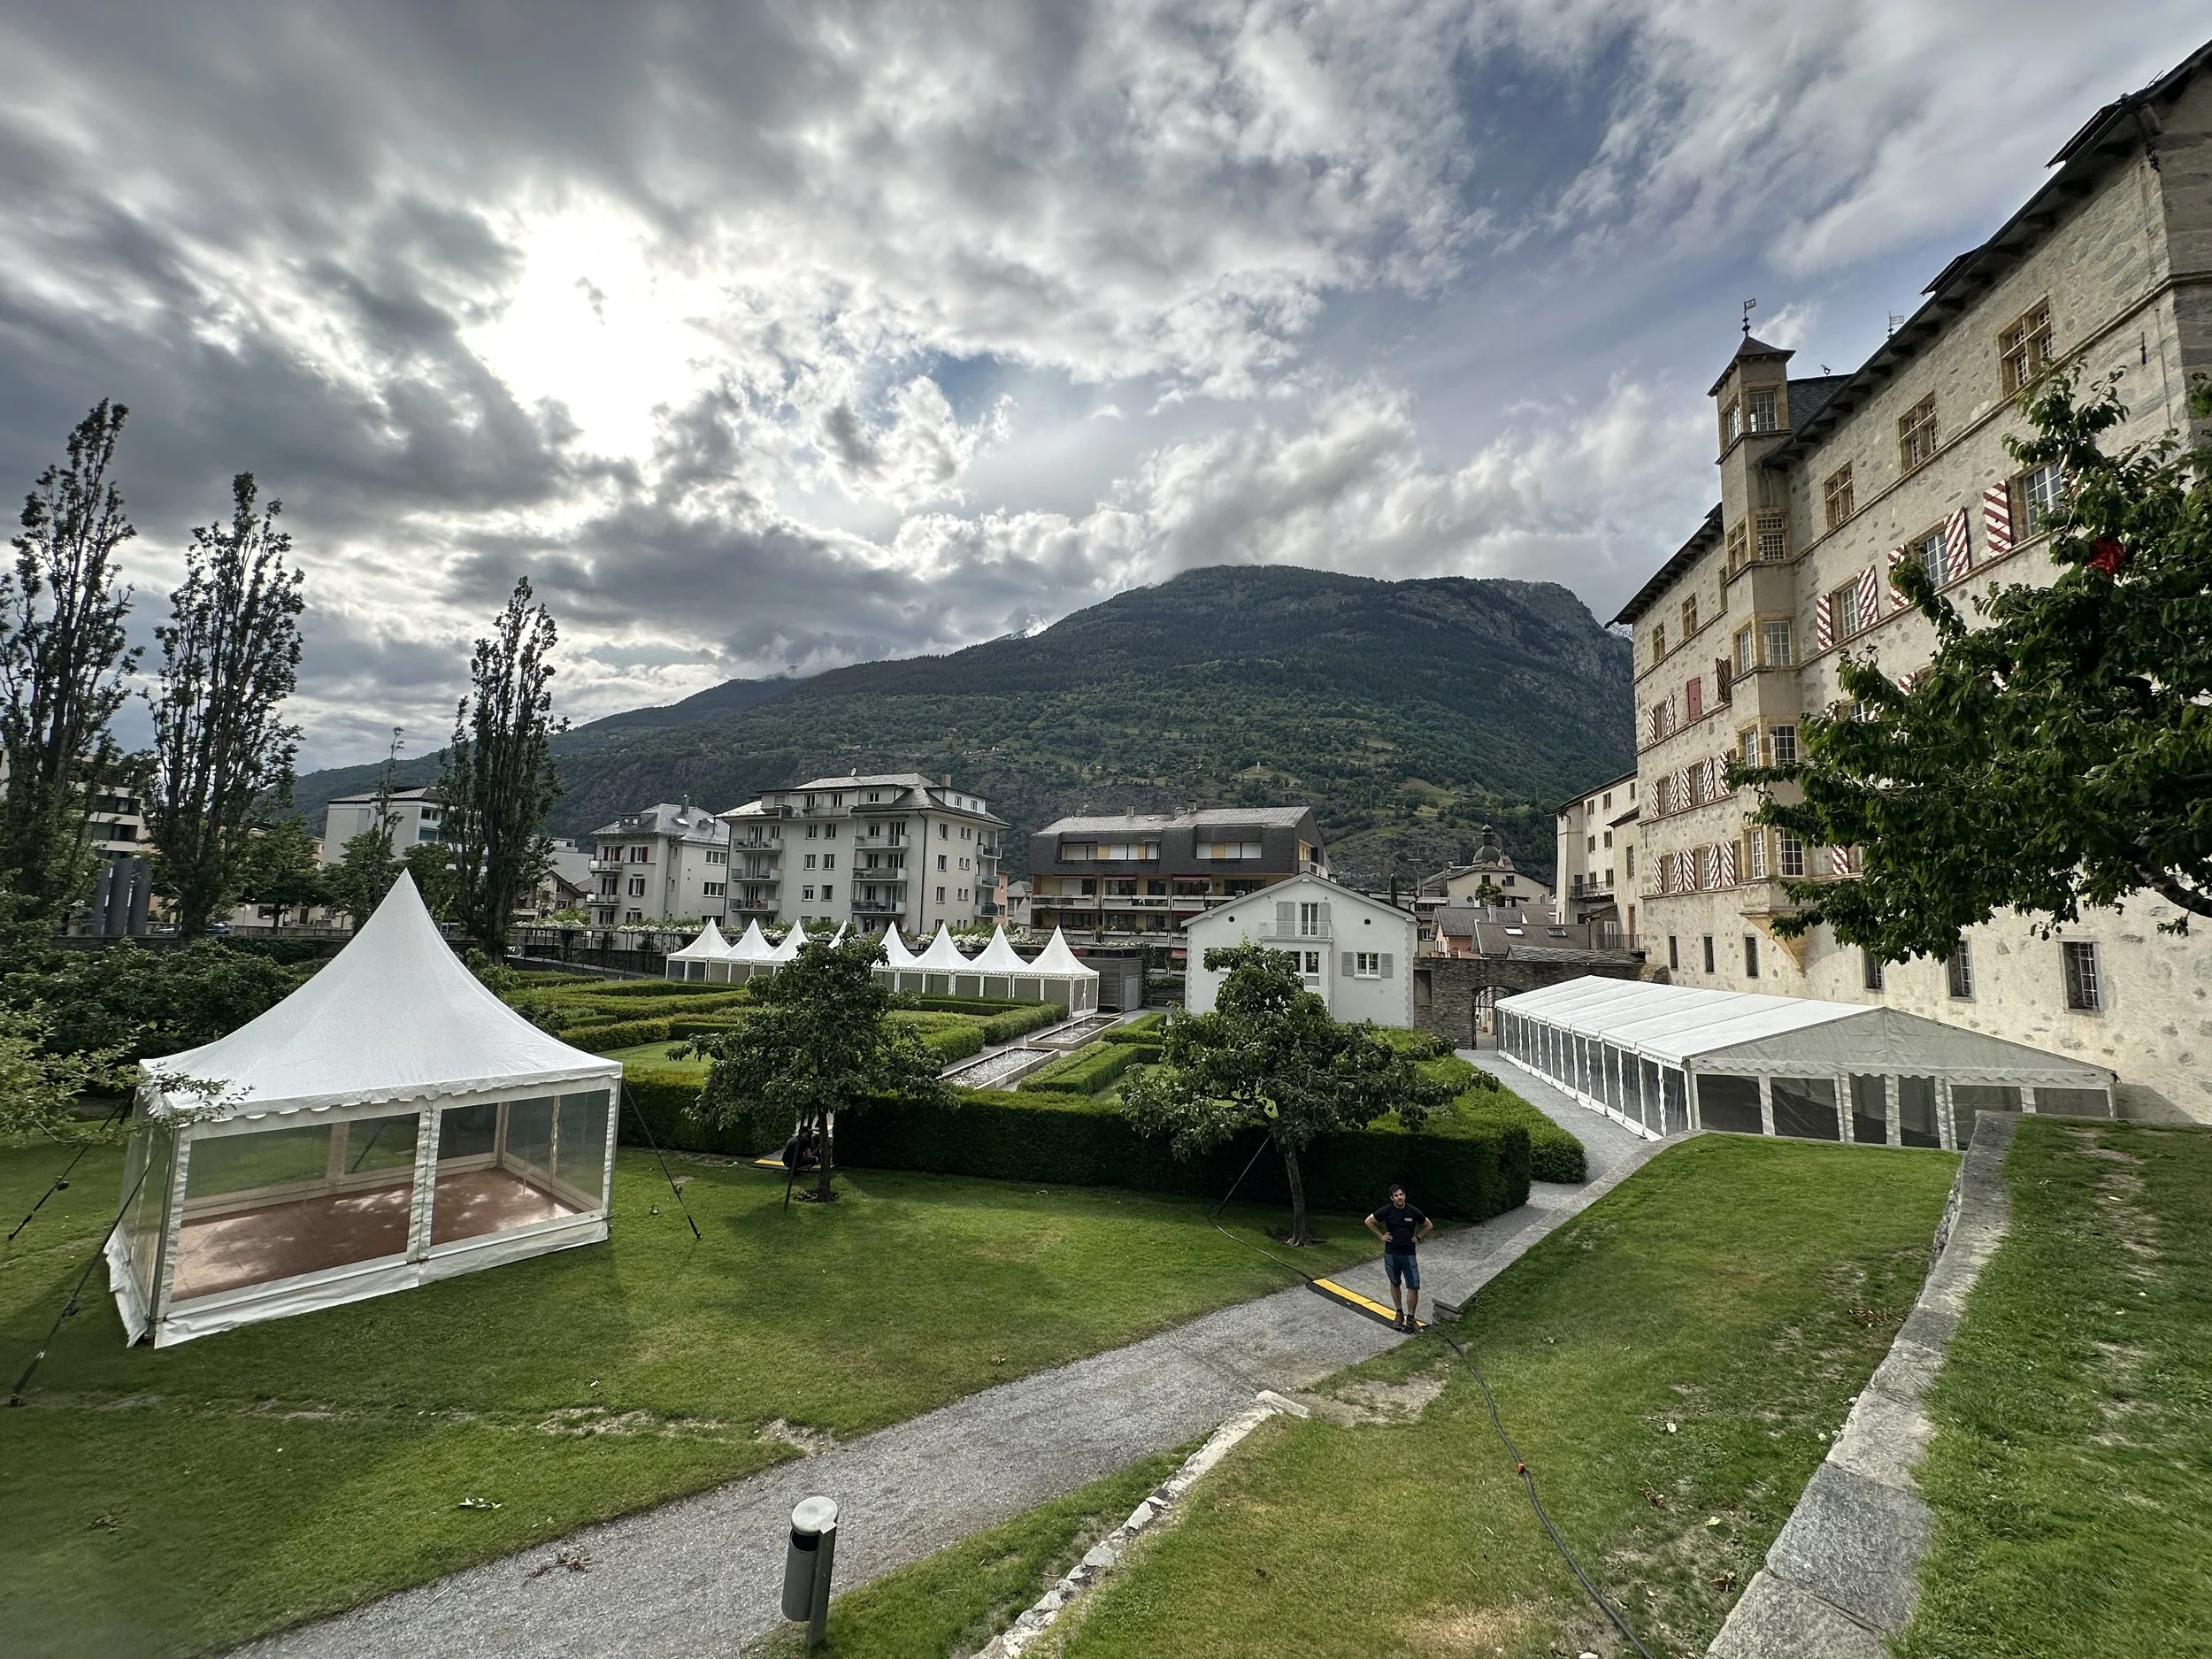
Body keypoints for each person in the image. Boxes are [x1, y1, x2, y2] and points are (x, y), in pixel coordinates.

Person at [1364, 1183, 1432, 1331]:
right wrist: (1381, 1236)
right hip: (1392, 1254)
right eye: (1396, 1195)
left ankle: (1411, 1318)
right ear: (1392, 1198)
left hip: (1409, 1255)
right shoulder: (1387, 1210)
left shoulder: (1412, 1211)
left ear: (1405, 1196)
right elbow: (1369, 1221)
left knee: (1413, 1285)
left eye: (1401, 1194)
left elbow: (1428, 1225)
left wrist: (1419, 1237)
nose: (1399, 1197)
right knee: (1395, 1282)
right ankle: (1399, 1313)